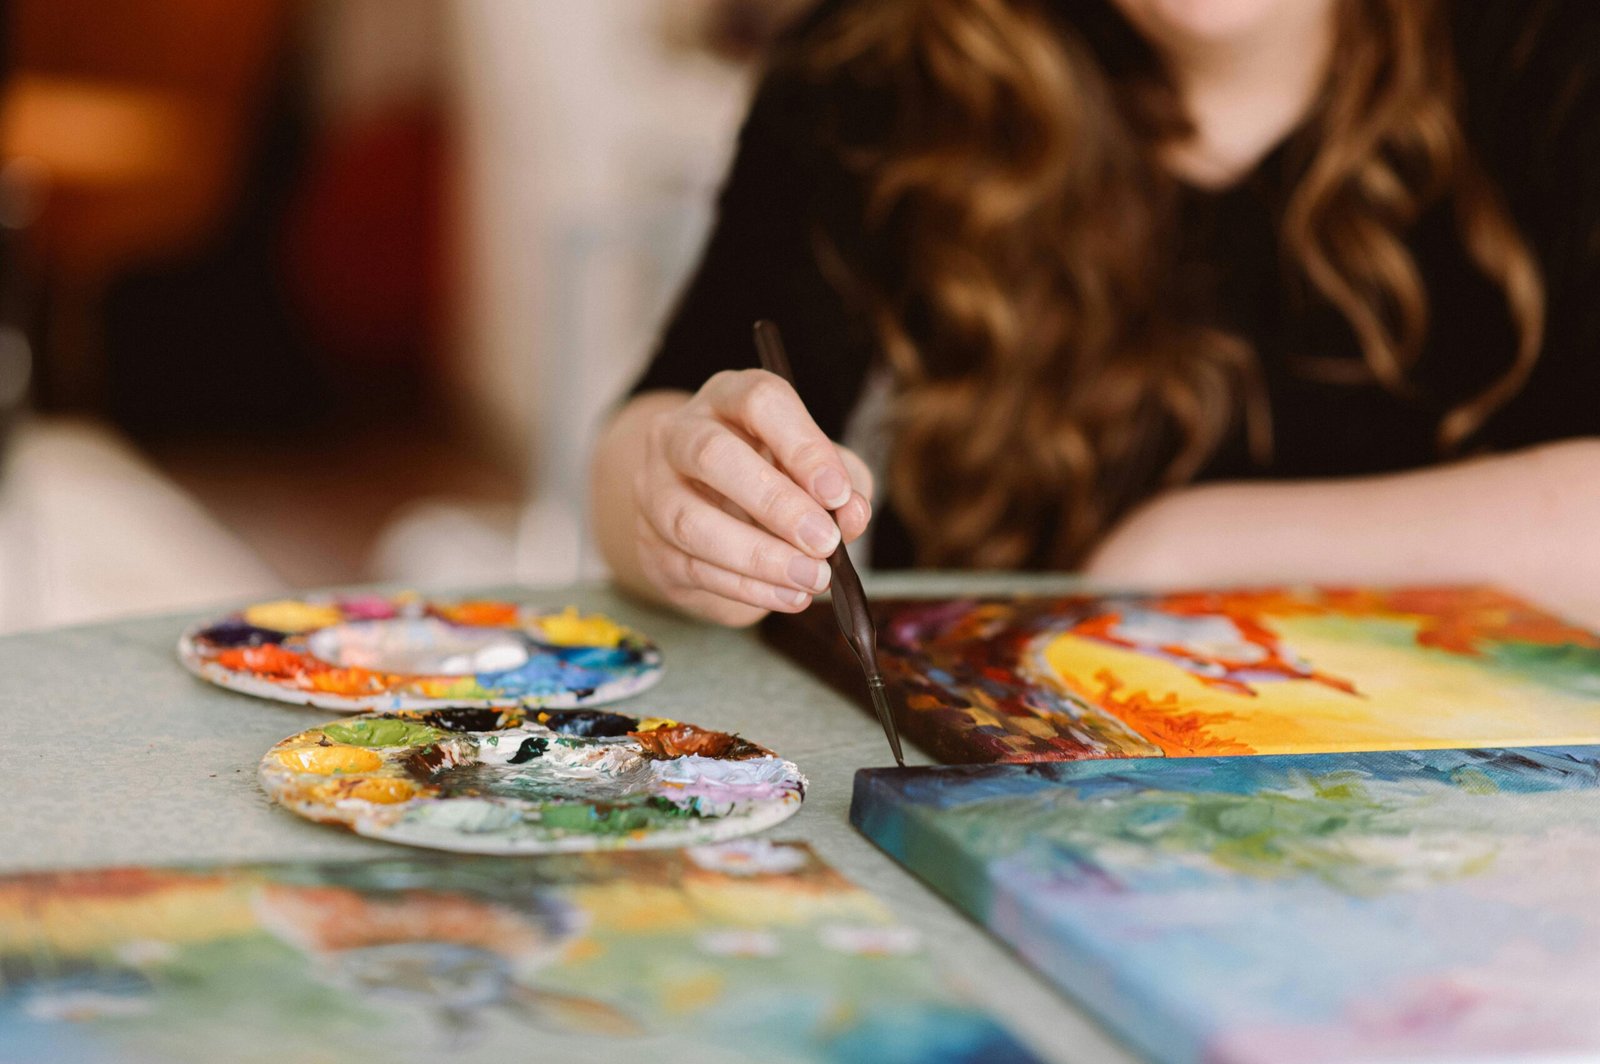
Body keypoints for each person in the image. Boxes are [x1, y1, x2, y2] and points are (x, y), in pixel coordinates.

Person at [592, 0, 1600, 627]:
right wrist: (678, 503)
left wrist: (1179, 550)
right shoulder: (873, 62)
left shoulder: (1548, 48)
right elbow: (659, 424)